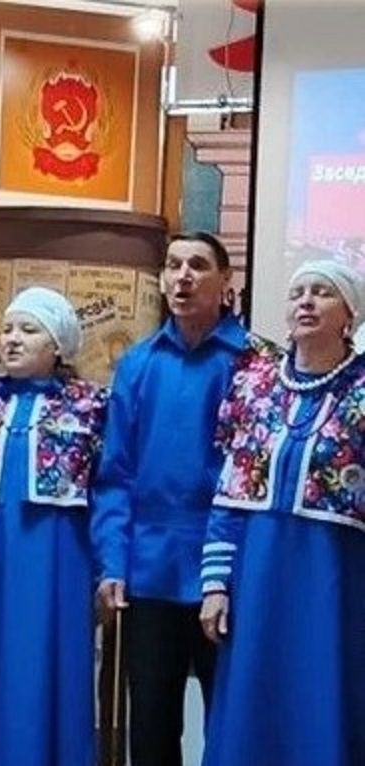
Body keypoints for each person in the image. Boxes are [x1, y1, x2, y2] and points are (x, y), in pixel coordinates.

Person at [92, 232, 261, 766]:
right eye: (173, 265)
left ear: (225, 280)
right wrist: (112, 560)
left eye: (198, 265)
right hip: (149, 571)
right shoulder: (138, 364)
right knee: (151, 727)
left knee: (233, 724)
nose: (183, 276)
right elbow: (115, 474)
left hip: (231, 571)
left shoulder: (255, 365)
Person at [199, 260, 365, 766]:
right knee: (253, 690)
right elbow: (228, 493)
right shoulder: (253, 388)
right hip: (258, 572)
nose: (306, 301)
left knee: (327, 690)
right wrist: (216, 584)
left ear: (349, 316)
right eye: (297, 293)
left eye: (322, 292)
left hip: (338, 576)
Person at [0, 287, 106, 766]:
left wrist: (108, 565)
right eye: (7, 328)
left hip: (55, 555)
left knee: (41, 663)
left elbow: (110, 486)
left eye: (28, 330)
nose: (11, 339)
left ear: (58, 346)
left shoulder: (93, 407)